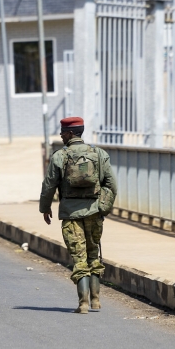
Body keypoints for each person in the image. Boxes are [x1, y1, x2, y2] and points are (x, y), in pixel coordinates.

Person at [39, 116, 116, 314]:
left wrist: (45, 208)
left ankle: (83, 303)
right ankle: (96, 300)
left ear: (71, 133)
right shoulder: (99, 154)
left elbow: (49, 186)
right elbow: (111, 185)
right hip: (94, 212)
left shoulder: (59, 156)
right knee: (93, 254)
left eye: (63, 132)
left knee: (79, 257)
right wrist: (103, 207)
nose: (60, 135)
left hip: (70, 214)